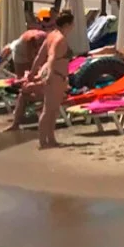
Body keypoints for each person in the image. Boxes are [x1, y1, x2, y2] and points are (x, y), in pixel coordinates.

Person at [32, 11, 76, 150]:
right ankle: (42, 142)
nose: (73, 26)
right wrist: (50, 74)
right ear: (67, 24)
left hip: (55, 74)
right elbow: (51, 56)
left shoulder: (51, 35)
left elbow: (40, 56)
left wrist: (32, 72)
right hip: (55, 75)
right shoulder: (60, 39)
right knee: (48, 109)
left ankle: (50, 139)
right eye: (72, 24)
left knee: (53, 109)